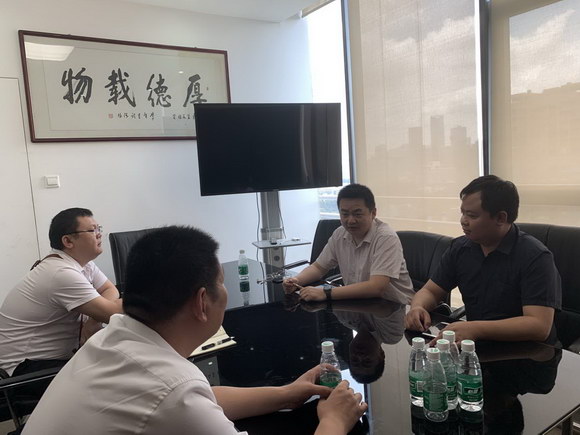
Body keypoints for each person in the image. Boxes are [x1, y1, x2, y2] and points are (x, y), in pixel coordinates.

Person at [23, 226, 367, 435]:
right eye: (221, 282)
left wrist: (287, 393)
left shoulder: (111, 338)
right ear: (202, 301)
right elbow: (181, 398)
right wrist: (335, 421)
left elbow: (204, 398)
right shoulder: (172, 389)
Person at [405, 175, 562, 343]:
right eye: (463, 213)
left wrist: (475, 328)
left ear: (501, 218)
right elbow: (431, 291)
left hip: (528, 351)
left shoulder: (535, 257)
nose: (463, 221)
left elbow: (539, 326)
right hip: (475, 345)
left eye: (472, 216)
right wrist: (417, 307)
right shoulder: (460, 248)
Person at [0, 208, 122, 381]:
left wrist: (94, 319)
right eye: (92, 230)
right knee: (117, 375)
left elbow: (110, 290)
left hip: (53, 361)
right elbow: (113, 313)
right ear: (68, 241)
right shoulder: (60, 273)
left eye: (98, 228)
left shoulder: (82, 264)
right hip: (25, 370)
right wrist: (102, 313)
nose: (99, 234)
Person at [283, 183, 414, 304]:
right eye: (345, 214)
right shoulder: (340, 234)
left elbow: (376, 287)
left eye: (357, 214)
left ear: (373, 213)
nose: (350, 220)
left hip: (396, 309)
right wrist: (297, 280)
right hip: (360, 305)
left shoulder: (385, 238)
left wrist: (326, 293)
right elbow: (318, 268)